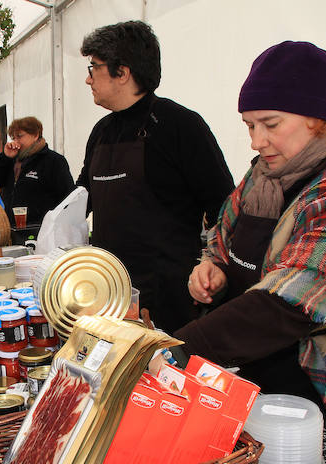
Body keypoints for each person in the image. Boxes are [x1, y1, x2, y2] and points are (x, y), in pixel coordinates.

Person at [175, 41, 326, 430]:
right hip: (264, 384)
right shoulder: (263, 177)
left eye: (270, 125)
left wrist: (177, 350)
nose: (256, 141)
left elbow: (289, 303)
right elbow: (222, 237)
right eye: (250, 126)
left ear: (317, 119)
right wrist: (213, 266)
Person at [77, 21, 234, 333]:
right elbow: (82, 198)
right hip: (111, 294)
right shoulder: (101, 132)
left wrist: (212, 266)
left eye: (93, 67)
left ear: (122, 72)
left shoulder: (180, 126)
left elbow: (227, 207)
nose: (87, 78)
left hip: (169, 300)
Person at [0, 116, 75, 227]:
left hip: (42, 228)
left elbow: (67, 197)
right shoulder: (12, 160)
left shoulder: (54, 161)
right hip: (14, 228)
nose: (16, 142)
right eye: (13, 137)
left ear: (35, 135)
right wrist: (5, 157)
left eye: (20, 136)